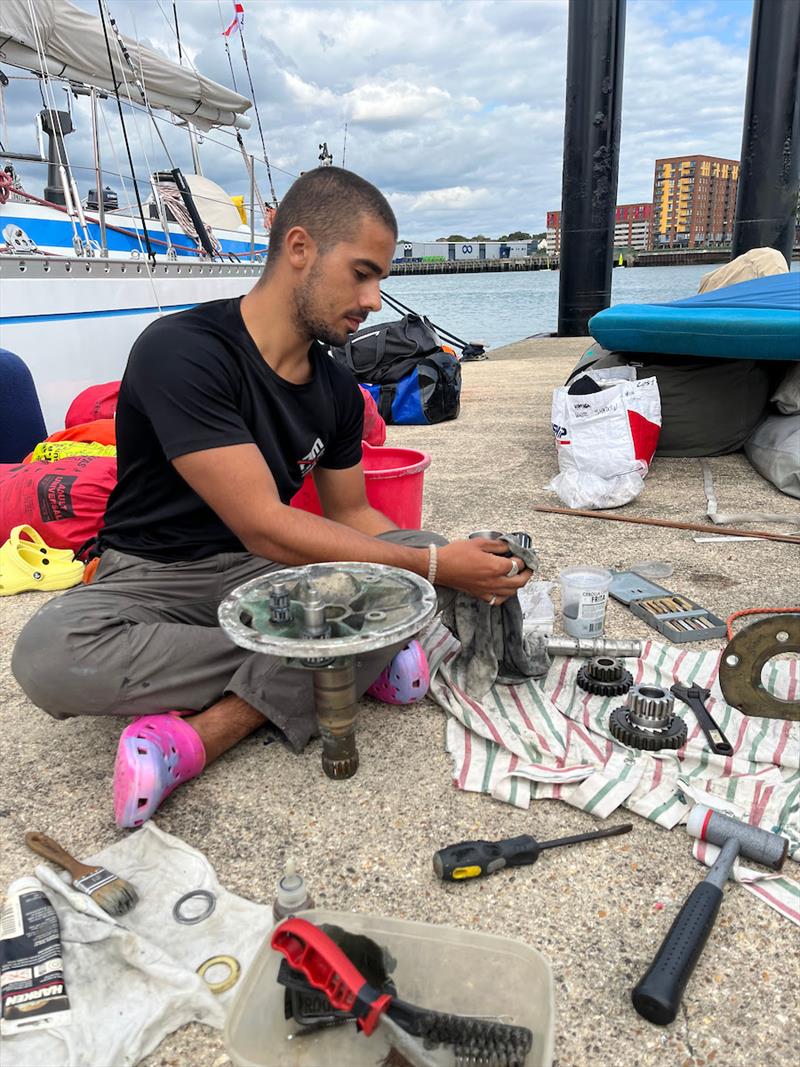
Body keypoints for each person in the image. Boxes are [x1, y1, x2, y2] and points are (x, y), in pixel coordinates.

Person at [11, 167, 532, 827]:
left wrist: (446, 560)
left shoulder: (338, 391)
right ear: (299, 249)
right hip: (154, 578)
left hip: (274, 581)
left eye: (382, 281)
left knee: (420, 552)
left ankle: (224, 716)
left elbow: (353, 516)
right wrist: (427, 575)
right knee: (48, 652)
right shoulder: (182, 351)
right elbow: (262, 523)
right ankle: (305, 681)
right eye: (363, 273)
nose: (374, 300)